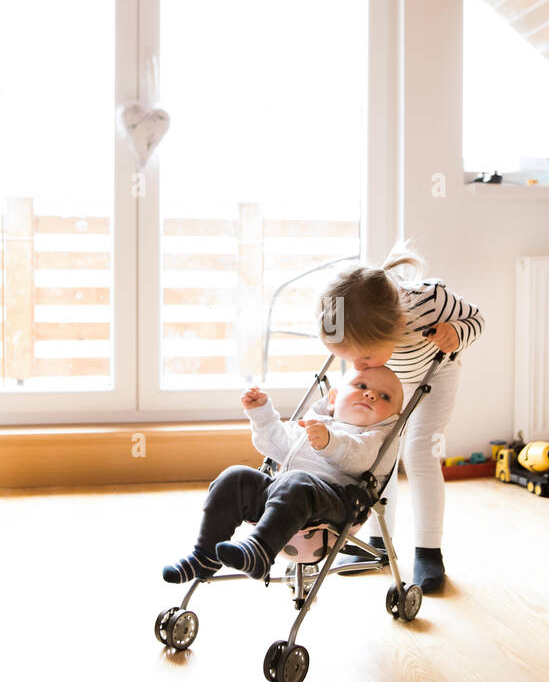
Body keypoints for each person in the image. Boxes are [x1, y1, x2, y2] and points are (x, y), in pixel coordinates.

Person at [318, 243, 484, 593]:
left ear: (398, 324)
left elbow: (477, 319)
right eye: (346, 357)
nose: (356, 366)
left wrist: (457, 334)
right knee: (378, 452)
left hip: (434, 376)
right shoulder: (353, 322)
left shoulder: (431, 300)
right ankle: (379, 542)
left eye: (361, 356)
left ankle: (428, 549)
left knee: (420, 452)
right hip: (388, 383)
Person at [162, 366, 405, 583]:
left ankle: (259, 551)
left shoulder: (376, 438)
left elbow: (360, 458)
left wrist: (330, 442)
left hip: (336, 507)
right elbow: (276, 444)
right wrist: (261, 413)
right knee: (235, 477)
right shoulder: (313, 422)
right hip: (282, 501)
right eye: (361, 386)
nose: (371, 394)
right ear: (333, 398)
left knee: (296, 481)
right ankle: (205, 555)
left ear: (392, 416)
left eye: (385, 396)